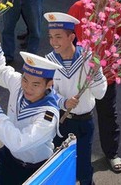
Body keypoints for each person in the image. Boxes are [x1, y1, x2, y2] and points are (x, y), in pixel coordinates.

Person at [0, 22, 62, 185]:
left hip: (33, 170)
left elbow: (19, 143)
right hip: (9, 160)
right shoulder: (19, 84)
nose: (27, 88)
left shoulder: (48, 115)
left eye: (35, 84)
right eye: (25, 80)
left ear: (49, 85)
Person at [68, 0, 121, 174]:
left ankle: (111, 153)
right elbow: (66, 35)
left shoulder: (118, 11)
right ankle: (67, 153)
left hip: (106, 73)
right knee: (73, 114)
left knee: (107, 114)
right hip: (79, 73)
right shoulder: (78, 8)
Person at [43, 12, 107, 184]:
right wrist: (63, 102)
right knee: (56, 162)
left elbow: (100, 93)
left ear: (71, 37)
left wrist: (94, 73)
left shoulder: (88, 58)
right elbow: (45, 92)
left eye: (58, 37)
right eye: (50, 37)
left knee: (83, 168)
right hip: (60, 122)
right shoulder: (48, 62)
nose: (53, 42)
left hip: (83, 122)